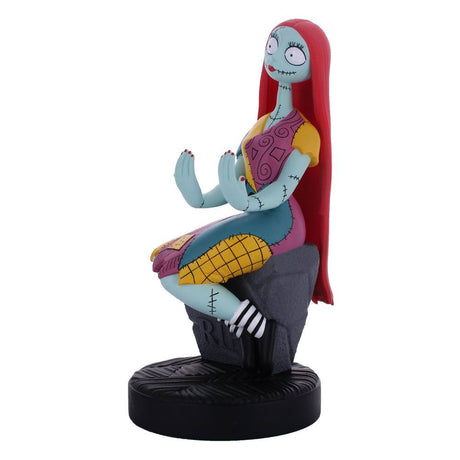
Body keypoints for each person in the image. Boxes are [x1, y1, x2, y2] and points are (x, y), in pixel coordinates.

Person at [151, 19, 333, 340]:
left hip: (282, 225)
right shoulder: (259, 125)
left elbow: (282, 189)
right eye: (272, 47)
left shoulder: (306, 134)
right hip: (254, 216)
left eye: (292, 54)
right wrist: (199, 198)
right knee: (167, 256)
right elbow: (237, 178)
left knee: (177, 276)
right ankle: (235, 321)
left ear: (314, 65)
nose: (275, 58)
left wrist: (247, 201)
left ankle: (248, 321)